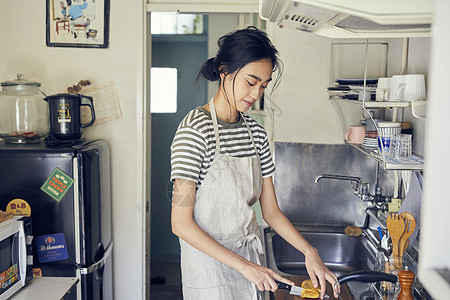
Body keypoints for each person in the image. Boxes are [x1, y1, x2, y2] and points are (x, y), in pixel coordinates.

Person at [170, 26, 340, 299]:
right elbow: (180, 223)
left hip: (252, 263)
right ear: (224, 71)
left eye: (263, 85)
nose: (257, 93)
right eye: (251, 82)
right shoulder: (194, 130)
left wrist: (310, 252)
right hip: (210, 268)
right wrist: (246, 267)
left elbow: (271, 212)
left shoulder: (256, 133)